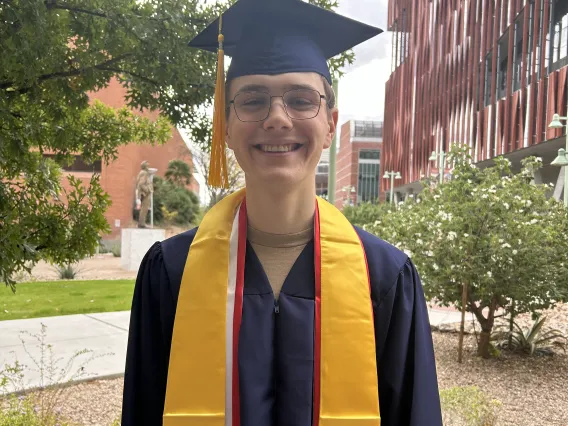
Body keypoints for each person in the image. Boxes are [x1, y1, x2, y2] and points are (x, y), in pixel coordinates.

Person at [122, 0, 443, 424]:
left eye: (300, 99)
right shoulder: (171, 273)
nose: (277, 118)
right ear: (227, 125)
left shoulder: (384, 277)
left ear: (331, 124)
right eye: (252, 100)